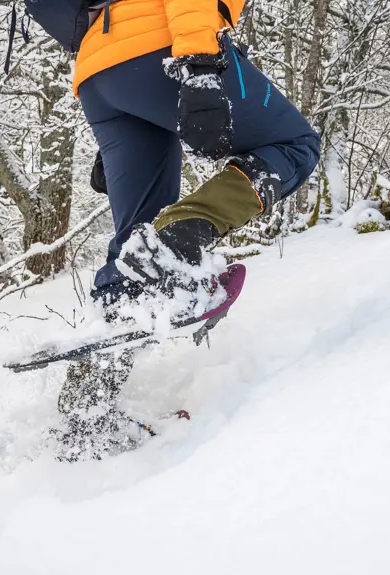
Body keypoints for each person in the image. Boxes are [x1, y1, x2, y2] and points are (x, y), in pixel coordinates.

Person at [24, 0, 320, 459]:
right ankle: (183, 231)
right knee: (295, 145)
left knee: (136, 244)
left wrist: (132, 113)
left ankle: (84, 417)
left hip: (99, 73)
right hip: (161, 47)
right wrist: (200, 67)